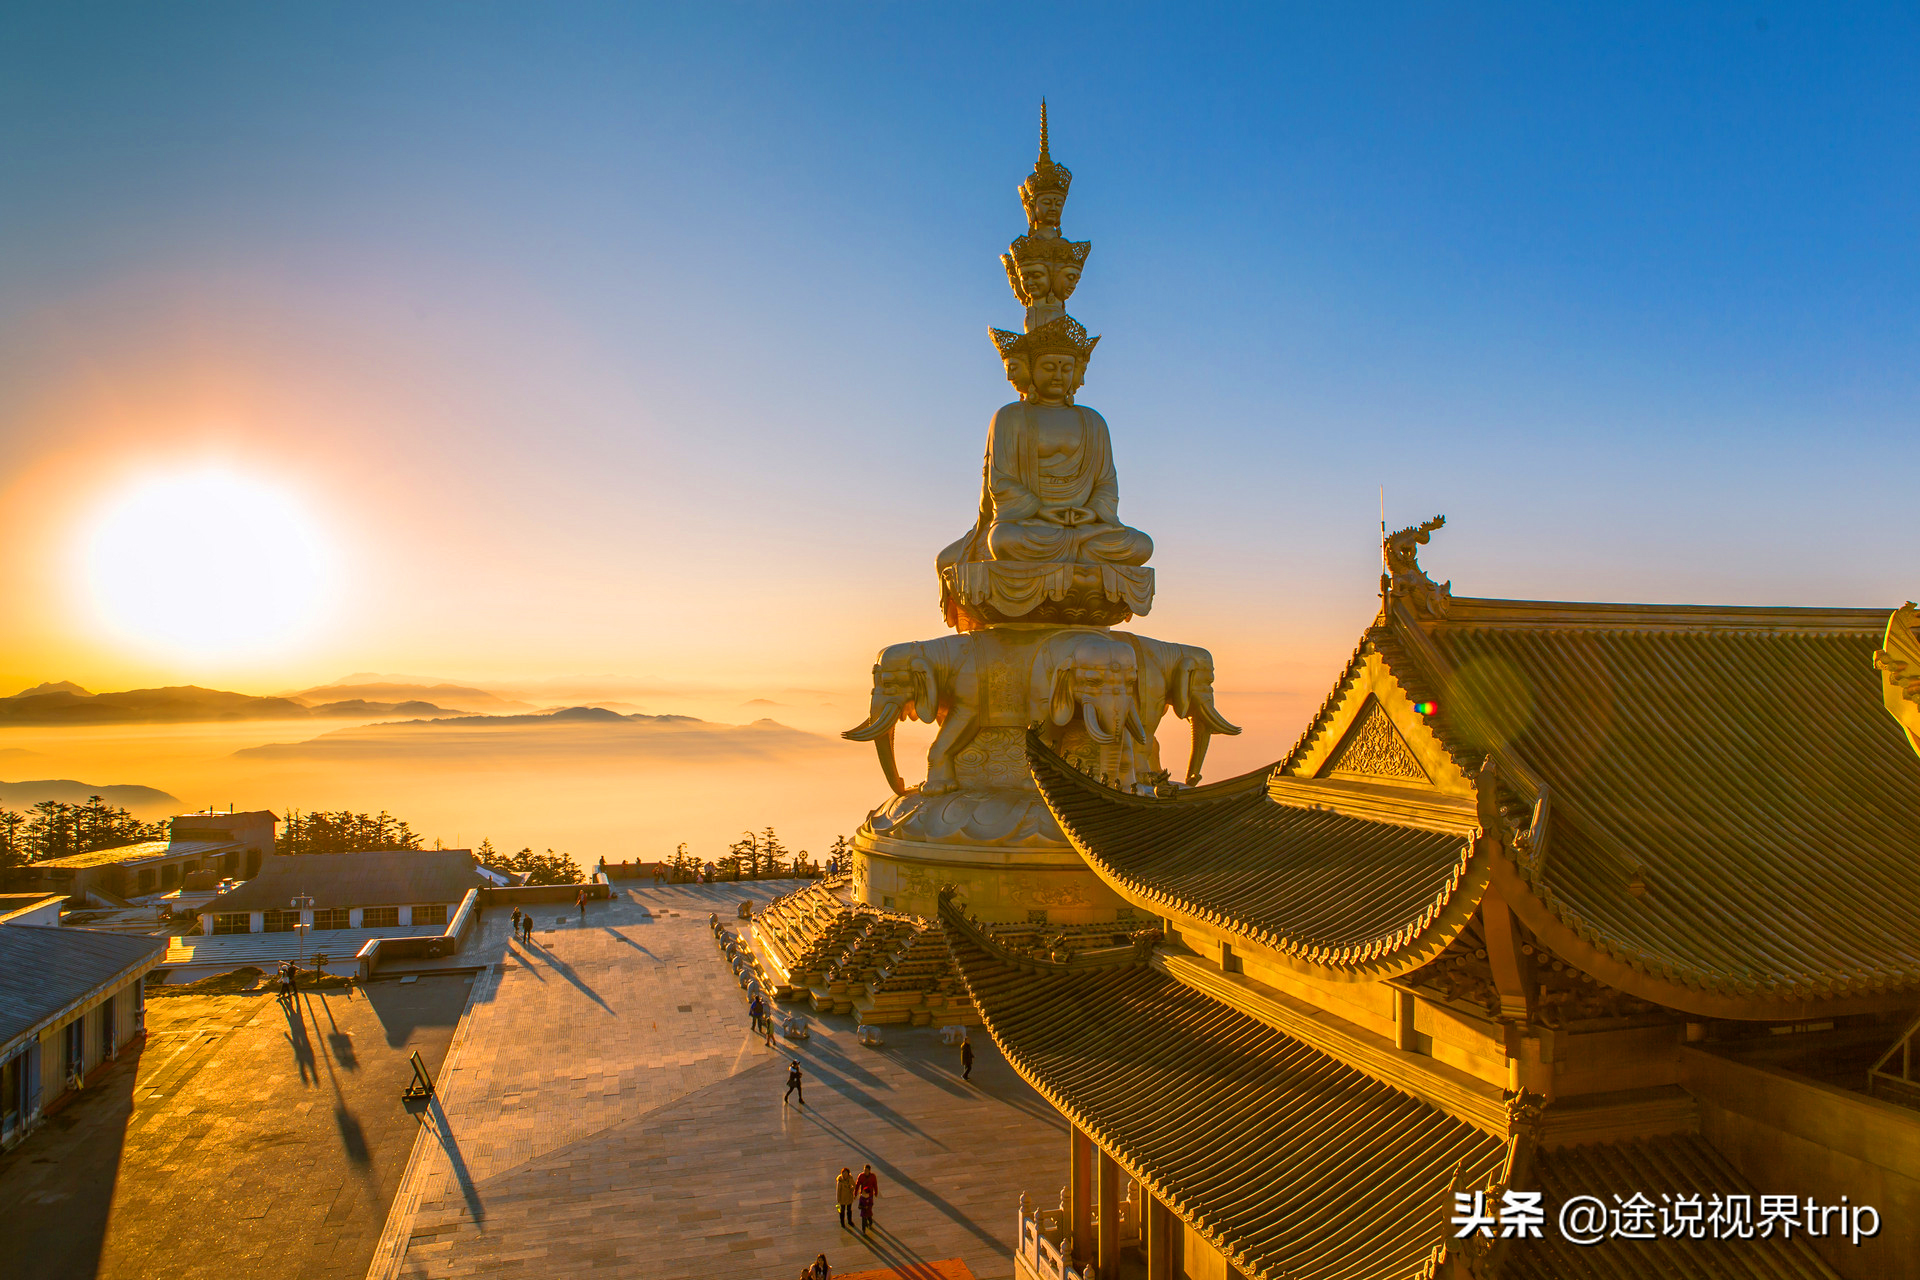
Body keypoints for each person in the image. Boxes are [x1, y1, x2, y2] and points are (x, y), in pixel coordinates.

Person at [854, 1164, 879, 1235]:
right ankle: (863, 1229)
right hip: (863, 1194)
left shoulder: (873, 1176)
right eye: (864, 1170)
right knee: (863, 1216)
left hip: (870, 1195)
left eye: (867, 1170)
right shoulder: (861, 1176)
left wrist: (876, 1192)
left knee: (869, 1212)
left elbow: (875, 1184)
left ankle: (870, 1222)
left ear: (869, 1171)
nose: (865, 1172)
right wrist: (855, 1194)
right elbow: (857, 1185)